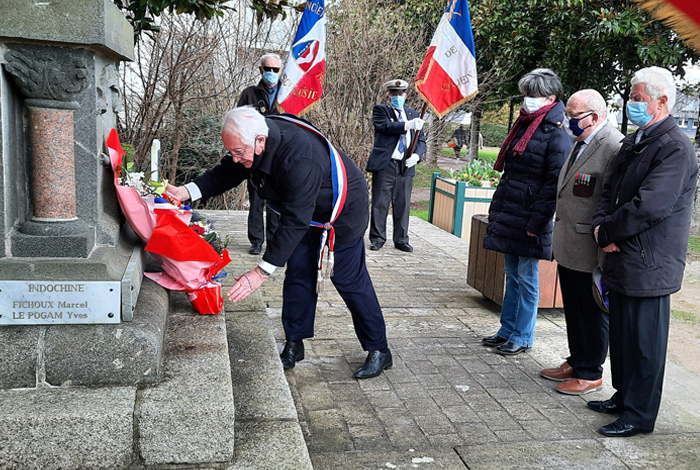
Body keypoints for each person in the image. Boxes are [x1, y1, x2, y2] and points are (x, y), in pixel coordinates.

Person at [166, 106, 393, 379]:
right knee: (298, 273)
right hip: (305, 213)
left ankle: (379, 349)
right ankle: (294, 343)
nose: (235, 159)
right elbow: (228, 172)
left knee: (348, 279)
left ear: (260, 141)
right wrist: (186, 192)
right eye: (232, 152)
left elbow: (294, 220)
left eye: (239, 152)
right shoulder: (255, 135)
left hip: (341, 213)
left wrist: (260, 272)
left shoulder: (300, 157)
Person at [589, 67, 698, 437]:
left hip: (649, 261)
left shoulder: (674, 147)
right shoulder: (636, 140)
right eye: (632, 98)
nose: (632, 105)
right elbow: (609, 191)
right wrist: (602, 229)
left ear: (662, 101)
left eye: (638, 99)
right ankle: (622, 395)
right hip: (622, 254)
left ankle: (639, 414)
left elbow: (651, 205)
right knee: (621, 334)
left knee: (645, 342)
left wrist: (609, 231)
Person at [481, 68, 572, 356]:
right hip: (512, 210)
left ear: (550, 97)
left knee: (527, 278)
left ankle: (522, 336)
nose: (528, 100)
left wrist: (537, 221)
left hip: (532, 215)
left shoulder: (557, 133)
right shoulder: (524, 124)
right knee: (512, 274)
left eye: (533, 95)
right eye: (526, 94)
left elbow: (553, 183)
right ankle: (507, 330)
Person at [540, 89, 623, 395]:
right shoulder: (581, 143)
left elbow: (612, 198)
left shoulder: (611, 145)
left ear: (595, 116)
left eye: (574, 116)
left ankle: (590, 372)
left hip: (590, 246)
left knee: (590, 310)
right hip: (569, 243)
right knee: (573, 308)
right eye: (568, 115)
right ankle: (576, 360)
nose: (568, 122)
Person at [366, 79, 426, 253]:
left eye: (400, 94)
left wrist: (417, 155)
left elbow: (421, 141)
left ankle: (401, 239)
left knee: (403, 203)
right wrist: (408, 125)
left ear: (405, 96)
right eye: (394, 94)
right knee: (380, 202)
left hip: (406, 165)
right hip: (386, 163)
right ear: (388, 95)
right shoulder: (381, 110)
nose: (397, 97)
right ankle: (377, 238)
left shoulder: (414, 114)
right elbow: (385, 126)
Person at [237, 52, 282, 255]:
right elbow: (239, 123)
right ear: (260, 70)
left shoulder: (287, 95)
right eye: (268, 69)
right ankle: (256, 241)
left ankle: (274, 240)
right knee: (256, 199)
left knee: (276, 200)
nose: (271, 73)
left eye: (275, 69)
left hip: (280, 156)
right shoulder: (249, 94)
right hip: (256, 156)